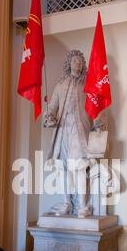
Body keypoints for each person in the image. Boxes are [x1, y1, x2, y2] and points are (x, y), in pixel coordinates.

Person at [44, 49, 106, 218]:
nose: (77, 64)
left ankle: (83, 205)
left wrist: (98, 123)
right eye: (74, 61)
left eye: (80, 62)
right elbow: (52, 108)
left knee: (79, 166)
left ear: (83, 65)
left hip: (80, 130)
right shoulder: (60, 85)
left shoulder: (88, 85)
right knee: (65, 168)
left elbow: (95, 106)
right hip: (63, 131)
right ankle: (66, 202)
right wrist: (49, 116)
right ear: (69, 64)